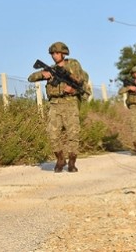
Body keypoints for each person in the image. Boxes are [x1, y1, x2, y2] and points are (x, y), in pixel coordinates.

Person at [28, 42, 91, 173]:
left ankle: (72, 163)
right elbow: (31, 78)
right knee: (52, 134)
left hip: (70, 104)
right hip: (55, 105)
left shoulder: (73, 64)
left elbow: (83, 82)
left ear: (63, 53)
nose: (54, 56)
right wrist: (42, 74)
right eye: (52, 54)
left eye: (56, 53)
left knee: (73, 134)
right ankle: (60, 159)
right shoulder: (51, 69)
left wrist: (73, 90)